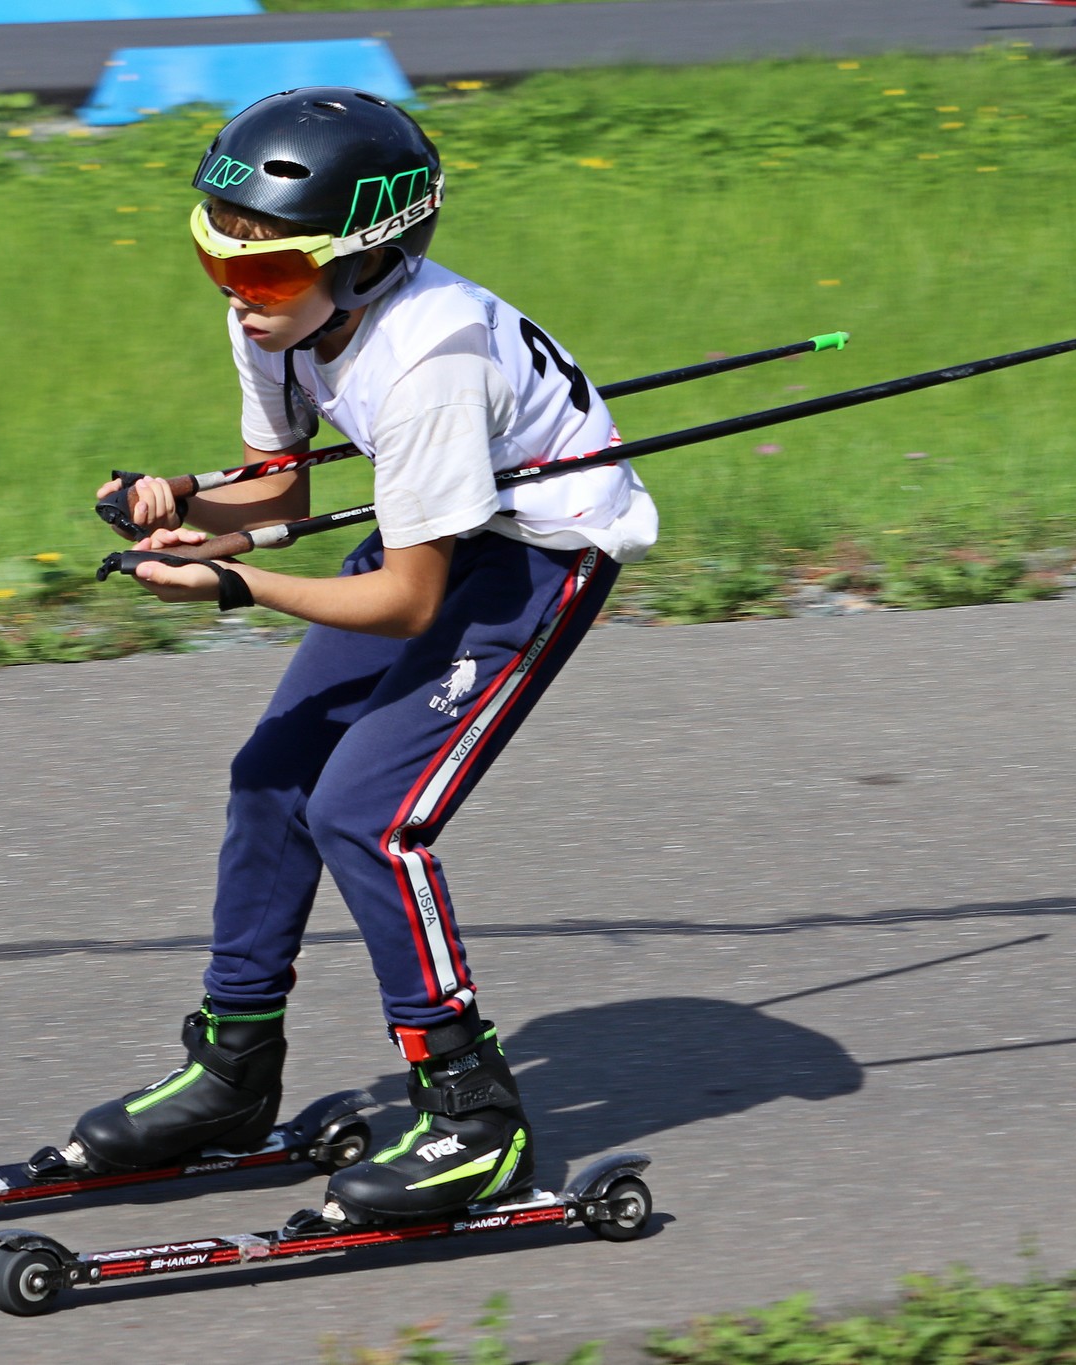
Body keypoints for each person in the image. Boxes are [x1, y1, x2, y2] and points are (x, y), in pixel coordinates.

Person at [69, 86, 657, 1226]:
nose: (239, 298)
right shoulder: (281, 311)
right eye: (217, 262)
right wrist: (186, 505)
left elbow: (402, 602)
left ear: (366, 260)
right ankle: (233, 1071)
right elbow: (278, 486)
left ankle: (474, 1117)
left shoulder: (429, 366)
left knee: (367, 815)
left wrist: (232, 578)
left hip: (529, 563)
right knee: (271, 778)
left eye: (267, 273)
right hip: (433, 525)